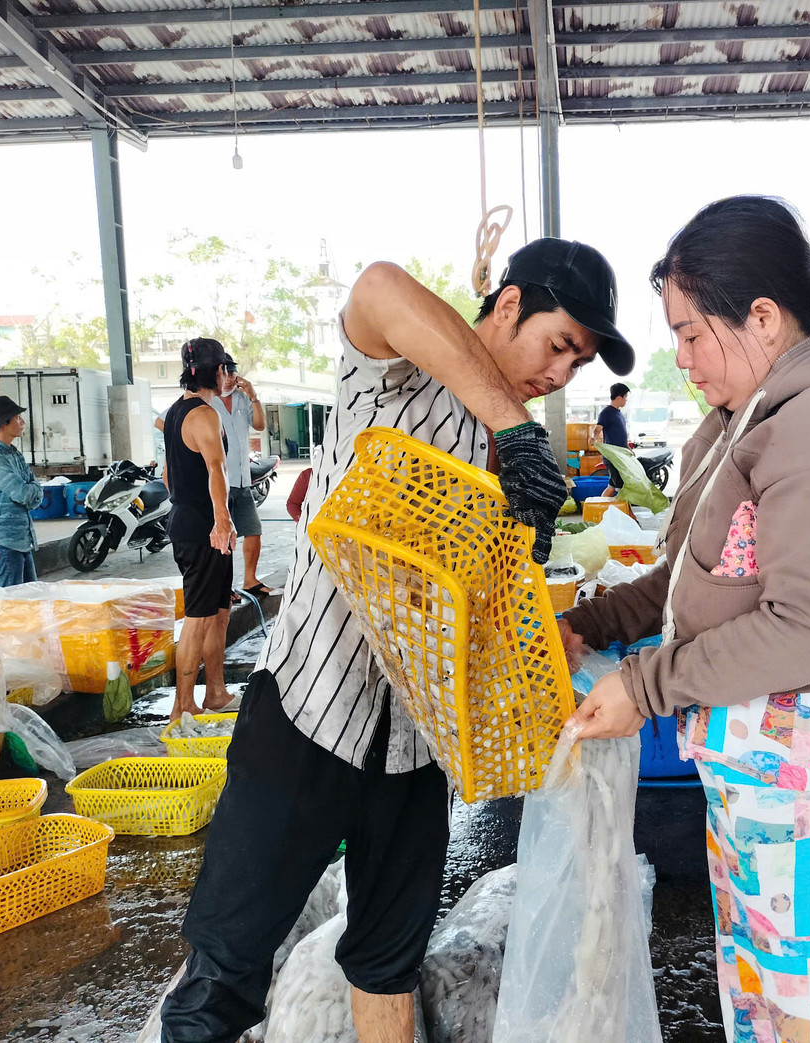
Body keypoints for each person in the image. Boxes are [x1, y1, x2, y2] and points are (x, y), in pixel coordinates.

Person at [159, 239, 633, 1043]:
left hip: (414, 746)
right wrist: (517, 428)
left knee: (389, 961)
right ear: (509, 303)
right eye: (560, 345)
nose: (560, 376)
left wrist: (545, 648)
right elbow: (378, 286)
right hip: (310, 710)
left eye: (578, 364)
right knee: (227, 966)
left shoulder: (502, 462)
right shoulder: (395, 373)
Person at [558, 196, 810, 1043]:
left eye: (693, 333)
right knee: (767, 989)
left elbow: (808, 625)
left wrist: (646, 684)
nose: (685, 359)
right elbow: (709, 573)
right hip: (772, 752)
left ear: (762, 318)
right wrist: (597, 619)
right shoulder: (757, 416)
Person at [164, 337, 239, 722]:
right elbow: (216, 468)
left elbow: (167, 472)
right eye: (228, 368)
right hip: (204, 528)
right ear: (218, 371)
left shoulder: (175, 411)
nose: (230, 375)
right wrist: (221, 519)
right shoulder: (204, 415)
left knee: (219, 611)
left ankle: (215, 692)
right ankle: (182, 705)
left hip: (191, 521)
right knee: (197, 617)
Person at [212, 355, 275, 599]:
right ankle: (222, 586)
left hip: (242, 479)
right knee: (222, 535)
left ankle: (250, 580)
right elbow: (161, 421)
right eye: (223, 374)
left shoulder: (241, 398)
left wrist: (253, 395)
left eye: (231, 374)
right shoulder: (207, 401)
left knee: (253, 530)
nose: (227, 379)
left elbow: (259, 425)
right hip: (219, 481)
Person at [0, 396, 44, 586]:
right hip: (2, 544)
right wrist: (32, 490)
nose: (22, 423)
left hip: (21, 541)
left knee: (28, 604)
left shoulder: (13, 453)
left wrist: (32, 490)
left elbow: (35, 491)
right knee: (9, 608)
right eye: (17, 418)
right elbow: (22, 493)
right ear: (4, 423)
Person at [593, 382, 631, 495]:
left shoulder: (618, 414)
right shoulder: (606, 413)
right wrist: (593, 438)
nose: (626, 401)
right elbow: (597, 429)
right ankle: (625, 512)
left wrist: (628, 448)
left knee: (613, 486)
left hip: (621, 456)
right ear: (619, 397)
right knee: (620, 487)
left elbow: (619, 435)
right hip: (613, 457)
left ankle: (602, 509)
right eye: (625, 398)